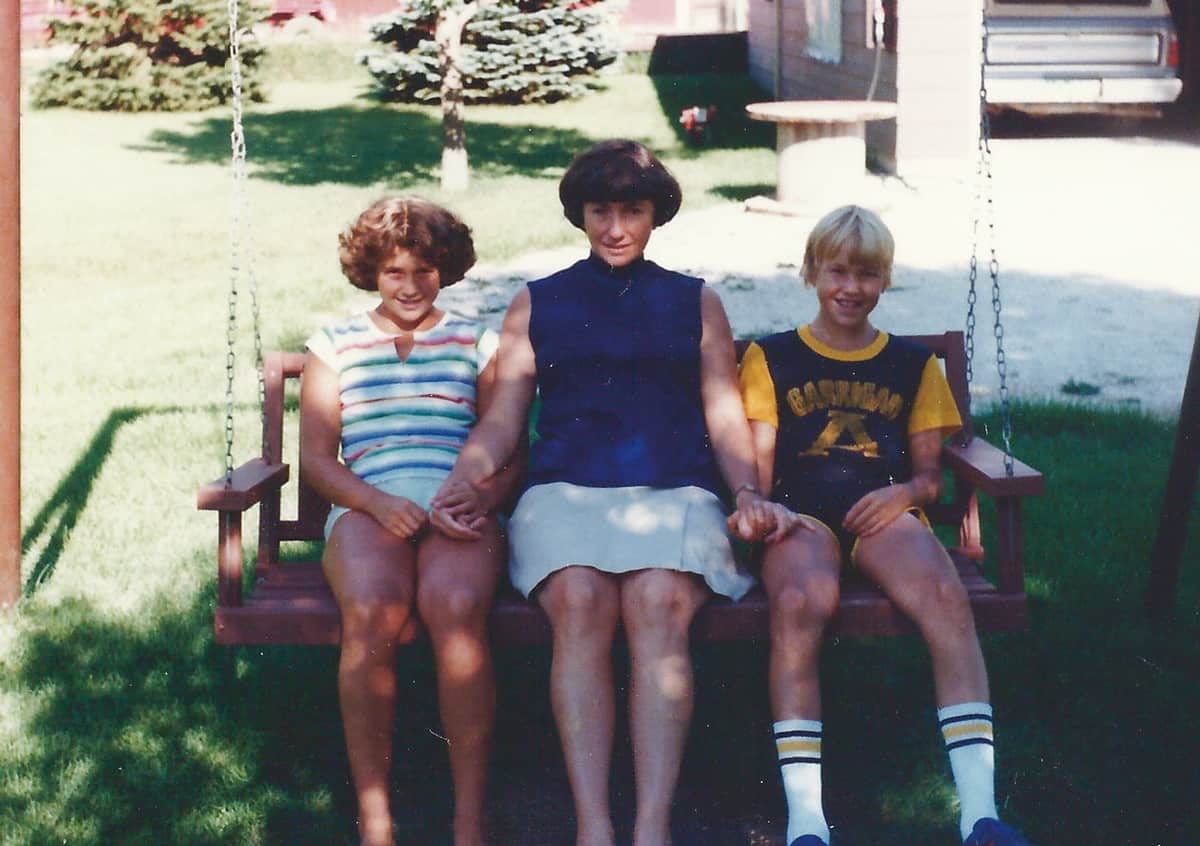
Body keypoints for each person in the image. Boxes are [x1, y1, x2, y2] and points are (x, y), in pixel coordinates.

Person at [430, 139, 773, 846]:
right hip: (565, 493)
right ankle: (594, 826)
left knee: (655, 601)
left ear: (656, 216)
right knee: (581, 602)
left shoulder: (694, 300)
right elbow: (502, 418)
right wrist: (468, 477)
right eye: (600, 211)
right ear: (579, 215)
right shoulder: (538, 302)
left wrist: (746, 491)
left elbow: (722, 409)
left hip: (674, 491)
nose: (616, 228)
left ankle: (650, 826)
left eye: (633, 211)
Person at [737, 205, 1034, 846]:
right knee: (796, 599)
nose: (851, 287)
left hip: (885, 513)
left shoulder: (912, 365)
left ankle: (979, 814)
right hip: (801, 516)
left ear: (885, 279)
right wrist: (763, 511)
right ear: (812, 272)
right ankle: (806, 823)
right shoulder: (772, 358)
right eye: (838, 271)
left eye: (867, 274)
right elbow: (756, 469)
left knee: (942, 595)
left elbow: (930, 477)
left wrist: (903, 494)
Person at [301, 197, 518, 846]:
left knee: (454, 604)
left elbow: (509, 452)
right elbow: (316, 457)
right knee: (371, 609)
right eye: (395, 271)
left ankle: (468, 819)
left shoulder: (475, 341)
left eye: (425, 270)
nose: (410, 285)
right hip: (371, 500)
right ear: (371, 270)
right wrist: (375, 502)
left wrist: (478, 499)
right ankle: (376, 817)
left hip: (458, 501)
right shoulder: (335, 344)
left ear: (445, 270)